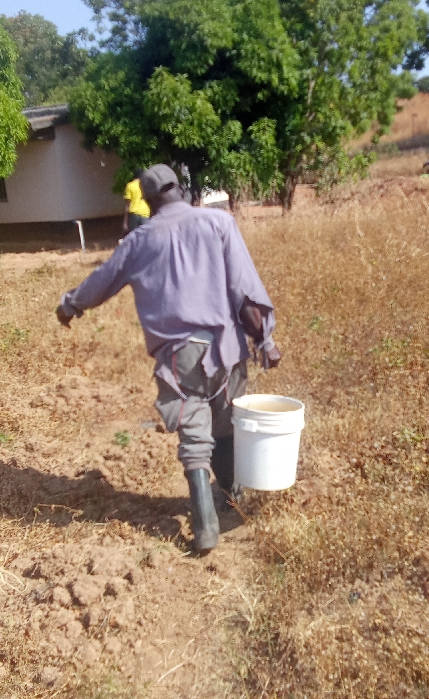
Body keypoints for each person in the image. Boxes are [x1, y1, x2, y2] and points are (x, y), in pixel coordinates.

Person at [56, 164, 281, 554]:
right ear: (181, 188)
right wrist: (265, 339)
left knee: (194, 434)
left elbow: (101, 281)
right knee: (225, 422)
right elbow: (244, 290)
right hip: (226, 349)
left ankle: (205, 527)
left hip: (179, 358)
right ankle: (231, 496)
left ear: (145, 200)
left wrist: (70, 305)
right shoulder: (219, 223)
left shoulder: (138, 242)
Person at [122, 169, 151, 234]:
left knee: (134, 235)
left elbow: (127, 205)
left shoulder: (130, 186)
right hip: (145, 213)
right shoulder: (145, 186)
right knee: (146, 235)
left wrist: (125, 222)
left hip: (133, 214)